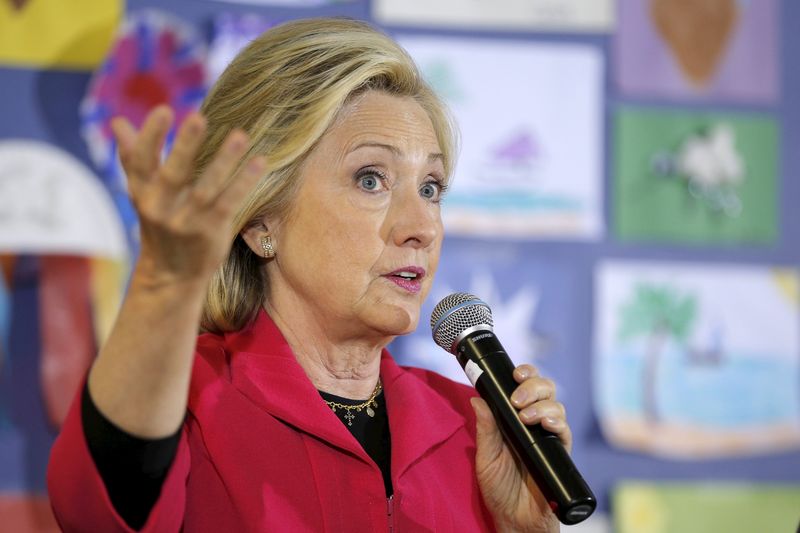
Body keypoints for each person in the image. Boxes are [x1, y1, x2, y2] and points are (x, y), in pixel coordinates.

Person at [47, 17, 573, 532]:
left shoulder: (472, 429)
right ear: (260, 221)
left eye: (431, 187)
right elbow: (93, 514)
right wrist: (164, 285)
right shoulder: (181, 402)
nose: (422, 228)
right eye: (372, 179)